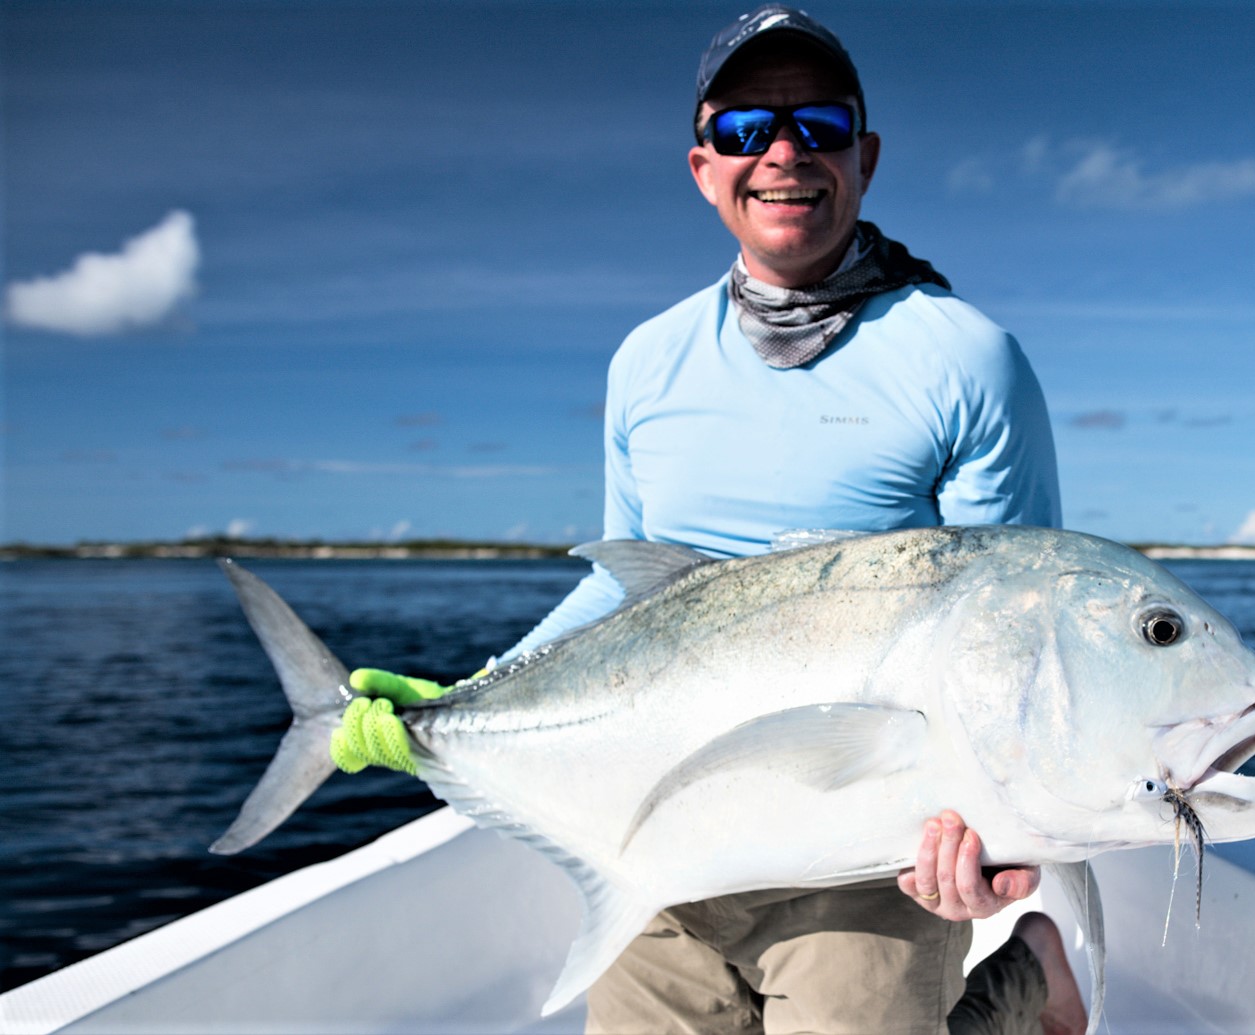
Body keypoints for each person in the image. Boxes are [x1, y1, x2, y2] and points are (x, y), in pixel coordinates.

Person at [335, 7, 1086, 1033]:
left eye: (816, 124)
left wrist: (998, 844)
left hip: (865, 854)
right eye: (746, 130)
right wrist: (465, 699)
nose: (783, 152)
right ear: (703, 166)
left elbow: (1015, 635)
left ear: (863, 158)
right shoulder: (647, 363)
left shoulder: (964, 358)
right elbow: (620, 592)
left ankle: (1031, 976)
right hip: (667, 831)